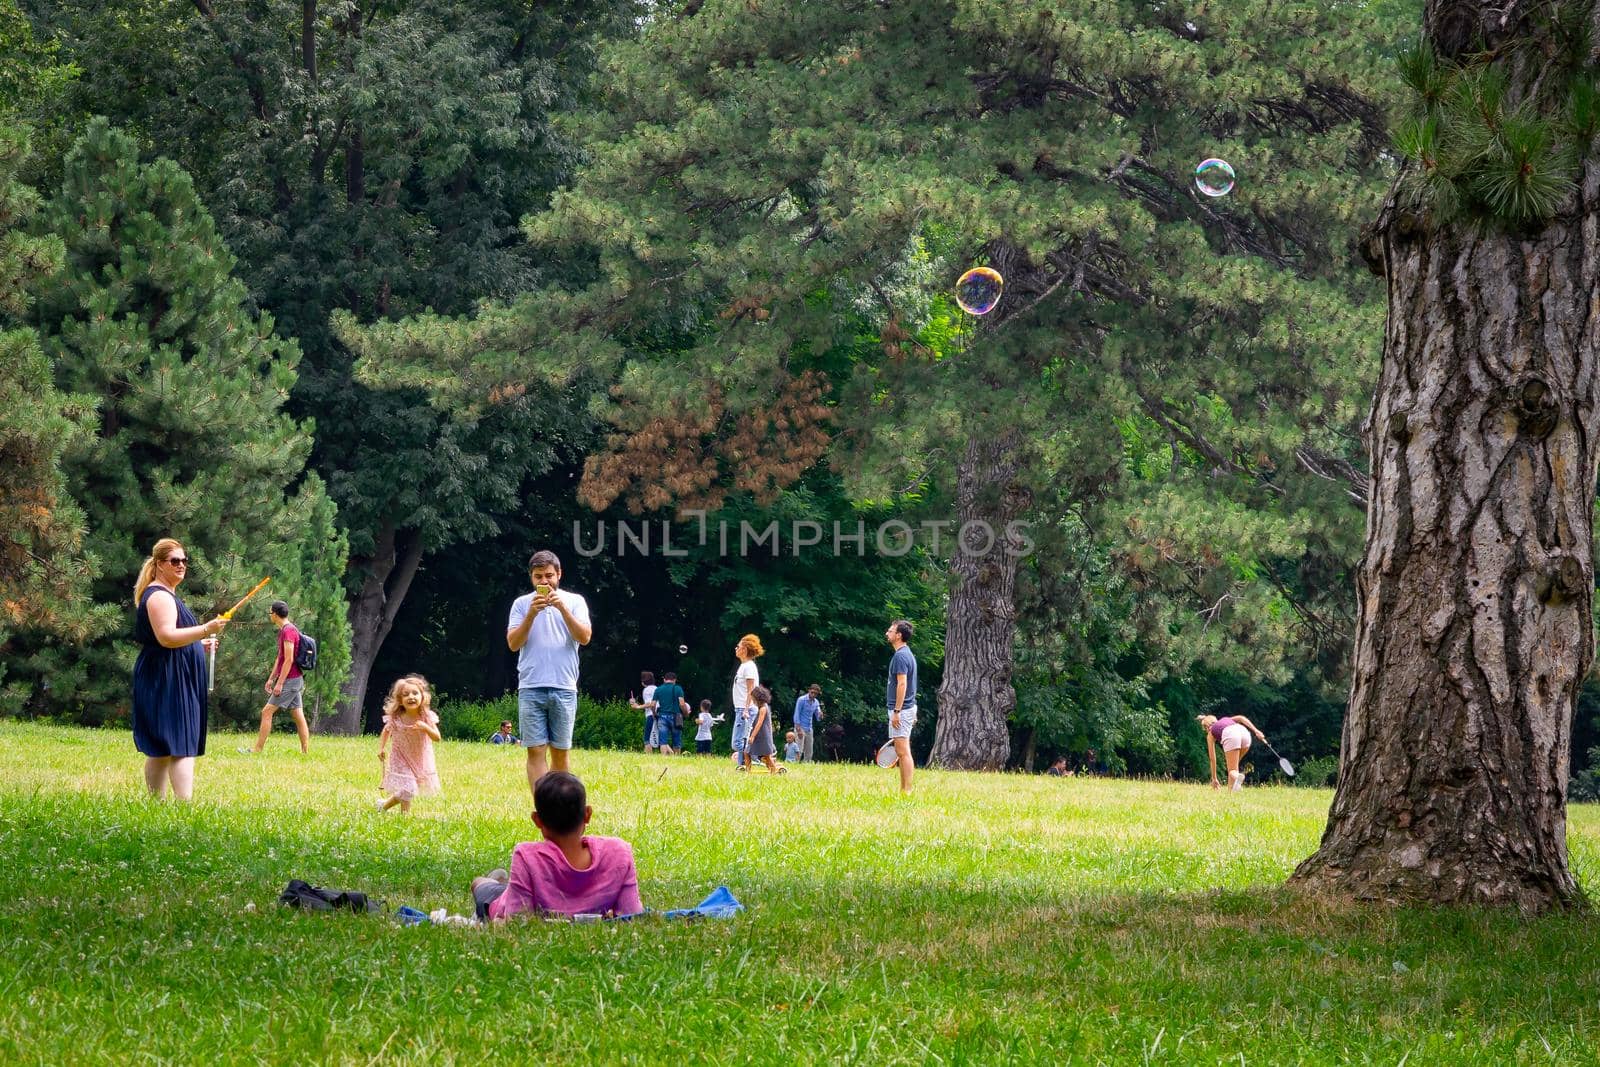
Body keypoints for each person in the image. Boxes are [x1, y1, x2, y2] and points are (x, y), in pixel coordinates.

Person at [472, 771, 643, 921]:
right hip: (513, 894)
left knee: (479, 883)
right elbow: (631, 914)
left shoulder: (527, 856)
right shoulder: (619, 852)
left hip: (509, 899)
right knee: (495, 887)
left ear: (536, 819)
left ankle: (494, 881)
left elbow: (516, 918)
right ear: (588, 814)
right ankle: (499, 882)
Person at [131, 538, 225, 801]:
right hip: (167, 677)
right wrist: (206, 629)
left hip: (168, 674)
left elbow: (175, 637)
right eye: (175, 561)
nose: (181, 565)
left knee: (163, 746)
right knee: (180, 743)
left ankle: (156, 806)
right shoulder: (159, 595)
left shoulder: (165, 593)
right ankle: (183, 808)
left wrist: (199, 642)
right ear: (160, 564)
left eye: (184, 560)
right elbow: (166, 637)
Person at [507, 550, 593, 801]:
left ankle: (560, 807)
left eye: (549, 576)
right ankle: (543, 809)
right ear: (531, 578)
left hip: (564, 687)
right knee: (535, 751)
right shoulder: (522, 604)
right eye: (538, 577)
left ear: (559, 574)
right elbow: (513, 643)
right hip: (531, 686)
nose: (544, 582)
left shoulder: (575, 601)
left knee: (560, 753)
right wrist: (532, 614)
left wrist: (562, 608)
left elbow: (584, 637)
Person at [242, 600, 310, 755]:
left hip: (290, 680)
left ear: (274, 614)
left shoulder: (288, 631)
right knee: (298, 714)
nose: (269, 616)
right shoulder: (285, 630)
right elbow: (280, 658)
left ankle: (257, 750)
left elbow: (289, 659)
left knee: (266, 712)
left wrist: (279, 684)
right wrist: (271, 678)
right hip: (292, 679)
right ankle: (305, 752)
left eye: (270, 613)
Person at [376, 675, 441, 813]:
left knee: (408, 789)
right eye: (406, 694)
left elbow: (437, 737)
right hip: (400, 757)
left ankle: (383, 806)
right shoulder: (396, 718)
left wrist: (425, 727)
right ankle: (404, 816)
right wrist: (381, 748)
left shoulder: (426, 717)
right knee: (409, 788)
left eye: (415, 693)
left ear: (422, 696)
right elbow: (386, 731)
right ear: (400, 700)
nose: (411, 697)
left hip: (419, 758)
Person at [884, 618, 918, 794]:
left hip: (902, 710)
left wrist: (897, 711)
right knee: (903, 751)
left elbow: (903, 684)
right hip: (907, 708)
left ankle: (906, 791)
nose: (887, 633)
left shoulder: (900, 656)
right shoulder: (907, 654)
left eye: (890, 631)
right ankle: (904, 789)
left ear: (899, 635)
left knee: (903, 752)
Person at [1198, 713, 1268, 792]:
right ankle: (1231, 792)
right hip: (1244, 733)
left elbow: (1212, 759)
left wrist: (1214, 778)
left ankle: (1238, 776)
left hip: (1231, 734)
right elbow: (1241, 718)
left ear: (1207, 727)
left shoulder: (1210, 733)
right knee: (1233, 768)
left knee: (1232, 771)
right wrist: (1256, 731)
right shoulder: (1226, 719)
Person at [729, 634, 764, 767]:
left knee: (738, 742)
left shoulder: (748, 666)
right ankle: (743, 766)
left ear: (745, 649)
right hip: (742, 708)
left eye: (738, 646)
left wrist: (745, 709)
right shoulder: (744, 666)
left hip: (746, 709)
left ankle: (753, 761)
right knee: (741, 741)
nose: (736, 648)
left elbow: (751, 690)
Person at [741, 685, 783, 774]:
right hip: (759, 735)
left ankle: (773, 771)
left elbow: (759, 723)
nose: (752, 700)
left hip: (762, 736)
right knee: (747, 752)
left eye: (753, 699)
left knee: (766, 756)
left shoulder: (763, 708)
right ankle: (748, 771)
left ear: (758, 698)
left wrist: (752, 736)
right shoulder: (763, 707)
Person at [652, 671, 689, 755]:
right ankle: (677, 759)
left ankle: (664, 758)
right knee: (676, 740)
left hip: (662, 716)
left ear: (664, 679)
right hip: (676, 717)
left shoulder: (658, 689)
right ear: (674, 680)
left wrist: (654, 713)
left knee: (663, 741)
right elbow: (682, 704)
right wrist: (686, 713)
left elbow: (652, 704)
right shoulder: (678, 688)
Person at [792, 683, 822, 762]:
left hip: (809, 728)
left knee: (809, 750)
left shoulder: (816, 702)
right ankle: (795, 764)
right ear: (809, 690)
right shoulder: (801, 699)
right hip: (800, 726)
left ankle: (806, 765)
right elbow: (797, 713)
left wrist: (820, 715)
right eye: (812, 692)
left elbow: (818, 717)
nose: (813, 694)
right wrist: (798, 729)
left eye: (815, 693)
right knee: (799, 748)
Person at [630, 671, 658, 754]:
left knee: (647, 738)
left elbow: (649, 703)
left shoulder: (646, 690)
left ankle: (649, 757)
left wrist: (637, 706)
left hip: (651, 715)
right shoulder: (656, 688)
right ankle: (672, 755)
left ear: (643, 682)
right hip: (660, 714)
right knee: (661, 739)